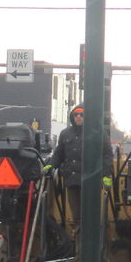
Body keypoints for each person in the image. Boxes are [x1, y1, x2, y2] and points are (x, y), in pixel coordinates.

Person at [43, 104, 113, 246]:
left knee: (90, 217)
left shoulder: (98, 133)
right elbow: (59, 154)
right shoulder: (65, 134)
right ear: (72, 117)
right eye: (76, 115)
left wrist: (106, 175)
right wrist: (51, 165)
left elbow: (107, 155)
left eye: (82, 114)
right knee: (77, 218)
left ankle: (94, 252)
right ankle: (79, 253)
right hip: (72, 181)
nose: (79, 117)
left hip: (91, 183)